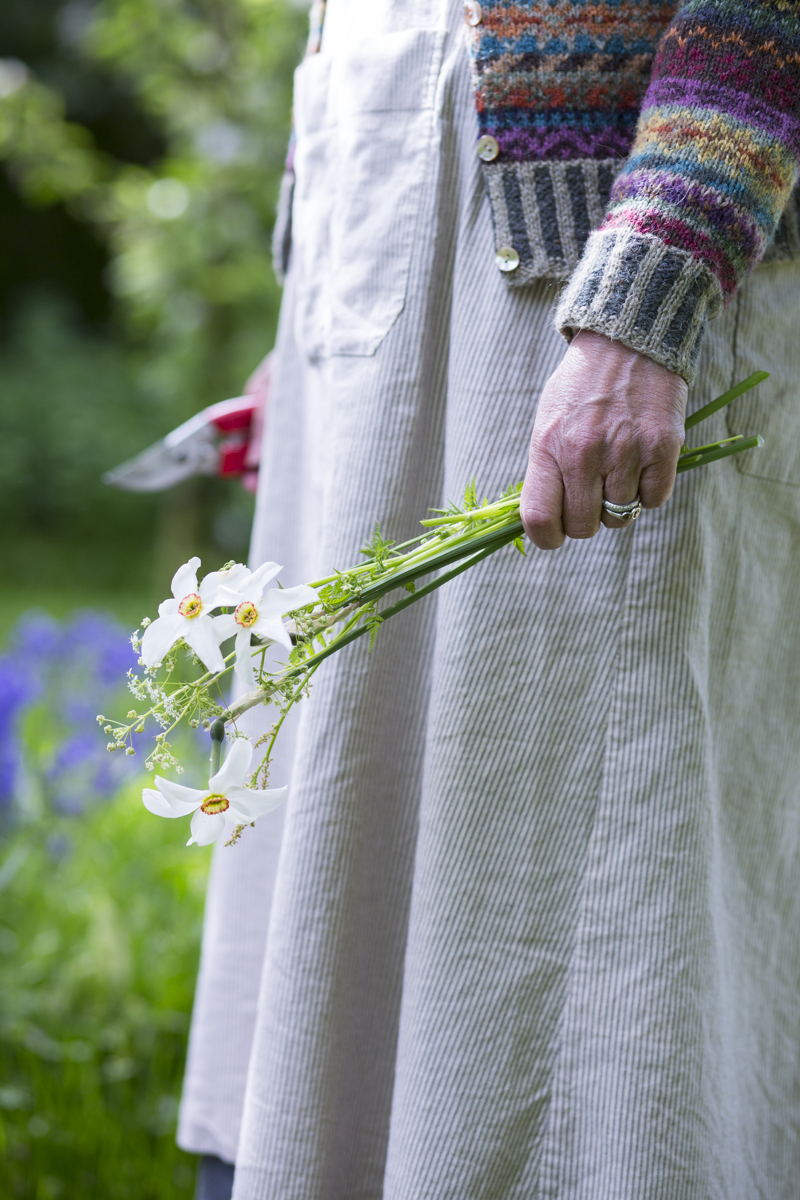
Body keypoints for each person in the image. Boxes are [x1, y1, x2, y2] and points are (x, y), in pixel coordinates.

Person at [179, 1, 800, 1197]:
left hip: (597, 289)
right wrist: (314, 331)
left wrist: (652, 287)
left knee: (579, 884)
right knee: (337, 845)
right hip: (386, 259)